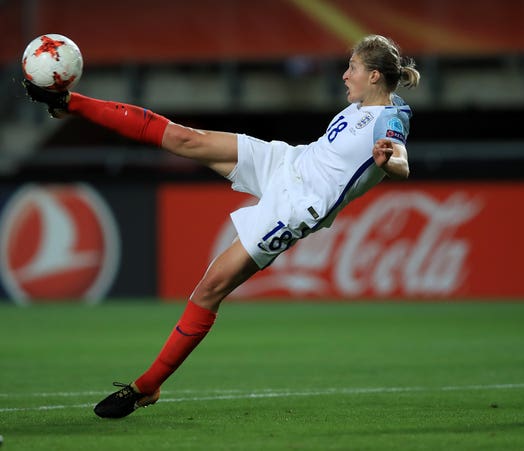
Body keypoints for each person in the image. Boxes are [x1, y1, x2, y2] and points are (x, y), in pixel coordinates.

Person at [24, 34, 420, 419]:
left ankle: (148, 386)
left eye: (352, 67)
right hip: (287, 162)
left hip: (296, 208)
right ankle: (70, 102)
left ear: (373, 76)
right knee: (185, 138)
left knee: (211, 287)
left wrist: (390, 163)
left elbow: (400, 159)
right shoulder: (359, 107)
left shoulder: (392, 116)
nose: (344, 75)